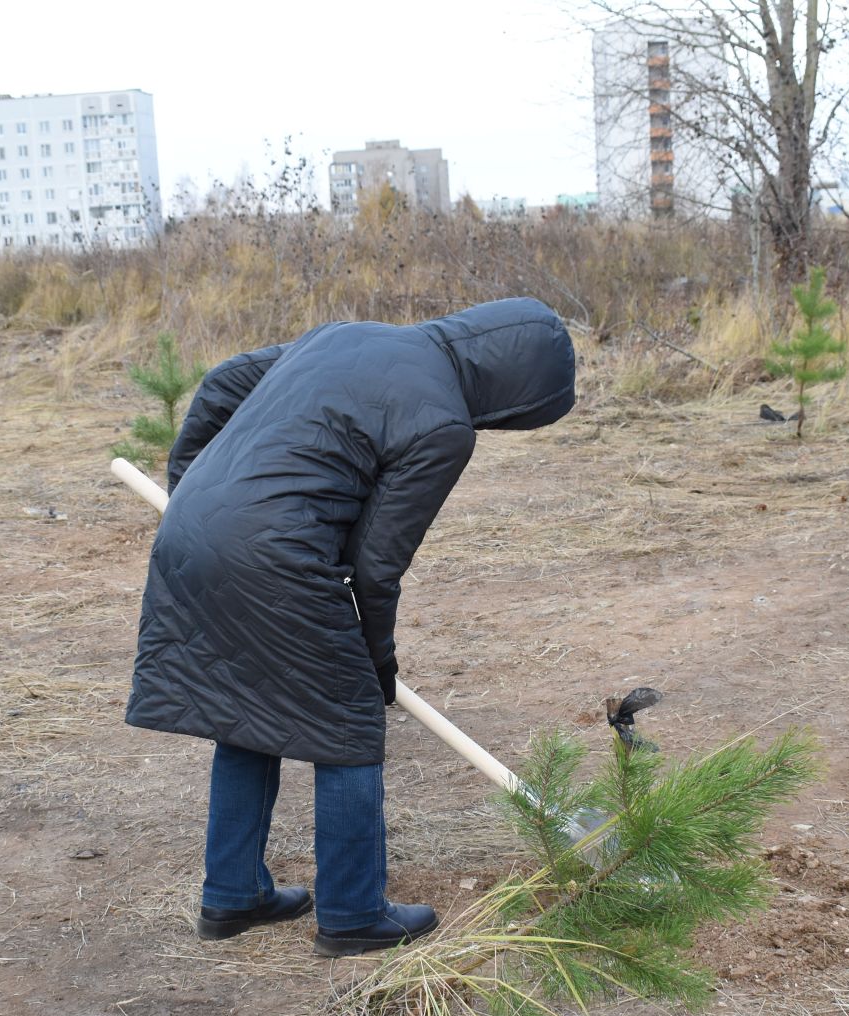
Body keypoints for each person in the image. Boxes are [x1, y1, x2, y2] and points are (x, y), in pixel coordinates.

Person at [125, 297, 578, 956]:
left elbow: (225, 379)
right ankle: (353, 912)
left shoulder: (344, 334)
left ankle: (233, 894)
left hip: (190, 534)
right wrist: (376, 664)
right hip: (276, 555)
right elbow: (376, 565)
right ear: (515, 393)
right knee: (349, 726)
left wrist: (192, 491)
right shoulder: (445, 423)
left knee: (247, 707)